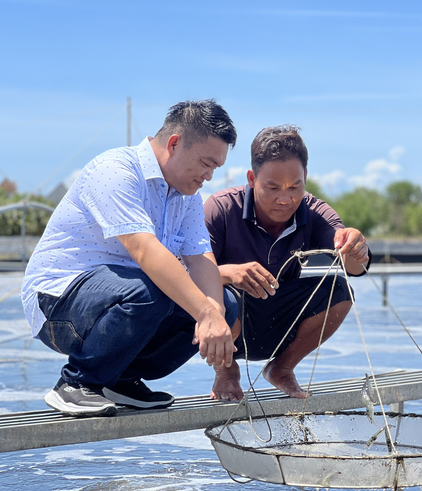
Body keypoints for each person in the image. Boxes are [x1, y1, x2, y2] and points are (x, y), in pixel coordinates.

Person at [22, 100, 239, 417]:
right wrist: (205, 314)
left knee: (227, 303)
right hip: (57, 303)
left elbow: (201, 258)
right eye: (206, 163)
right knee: (150, 290)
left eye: (215, 169)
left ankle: (119, 378)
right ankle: (76, 383)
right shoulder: (115, 170)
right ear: (175, 144)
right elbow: (144, 251)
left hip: (124, 301)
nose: (209, 176)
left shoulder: (186, 194)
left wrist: (215, 313)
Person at [204, 125, 371, 401]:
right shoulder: (220, 208)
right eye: (272, 187)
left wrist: (355, 247)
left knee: (339, 290)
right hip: (229, 322)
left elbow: (356, 268)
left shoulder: (316, 212)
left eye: (295, 187)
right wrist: (227, 273)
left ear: (305, 177)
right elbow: (184, 273)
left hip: (281, 323)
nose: (285, 199)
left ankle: (282, 368)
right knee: (216, 295)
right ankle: (226, 373)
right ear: (251, 179)